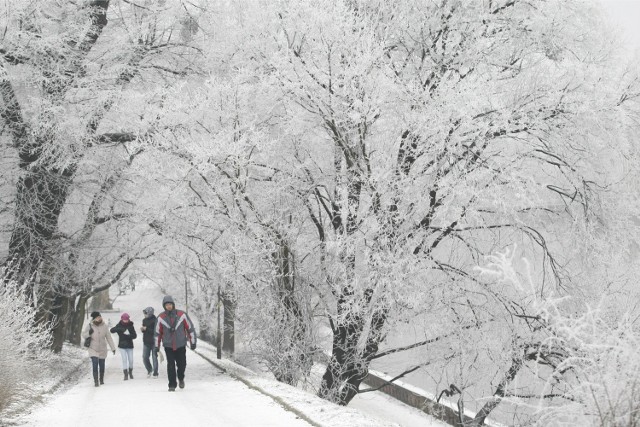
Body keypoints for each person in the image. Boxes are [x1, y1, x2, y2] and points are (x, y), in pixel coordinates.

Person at [155, 295, 197, 392]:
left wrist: (193, 342)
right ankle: (172, 385)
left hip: (181, 344)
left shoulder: (182, 315)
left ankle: (181, 377)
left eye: (170, 304)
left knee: (182, 364)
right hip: (168, 345)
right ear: (164, 306)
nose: (169, 306)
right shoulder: (161, 317)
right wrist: (156, 346)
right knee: (170, 365)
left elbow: (190, 328)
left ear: (173, 304)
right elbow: (157, 333)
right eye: (167, 305)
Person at [81, 311, 116, 387]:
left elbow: (109, 337)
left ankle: (101, 379)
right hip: (93, 348)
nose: (99, 318)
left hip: (103, 349)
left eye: (100, 317)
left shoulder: (105, 326)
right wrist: (89, 333)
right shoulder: (90, 326)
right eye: (97, 317)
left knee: (102, 365)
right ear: (94, 319)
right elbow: (84, 335)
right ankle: (96, 381)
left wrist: (113, 348)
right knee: (95, 364)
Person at [110, 312, 137, 380]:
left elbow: (135, 336)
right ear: (122, 319)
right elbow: (112, 330)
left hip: (130, 345)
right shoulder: (119, 325)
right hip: (122, 345)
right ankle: (125, 374)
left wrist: (129, 335)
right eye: (124, 319)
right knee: (124, 359)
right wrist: (120, 329)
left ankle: (130, 372)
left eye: (127, 319)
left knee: (131, 360)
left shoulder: (131, 325)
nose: (126, 321)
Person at [141, 306, 159, 378]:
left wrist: (147, 329)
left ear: (149, 313)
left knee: (154, 357)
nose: (144, 315)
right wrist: (143, 329)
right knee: (145, 357)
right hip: (146, 341)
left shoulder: (156, 320)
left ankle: (155, 373)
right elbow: (145, 330)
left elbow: (156, 332)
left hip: (154, 341)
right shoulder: (144, 320)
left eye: (145, 313)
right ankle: (149, 369)